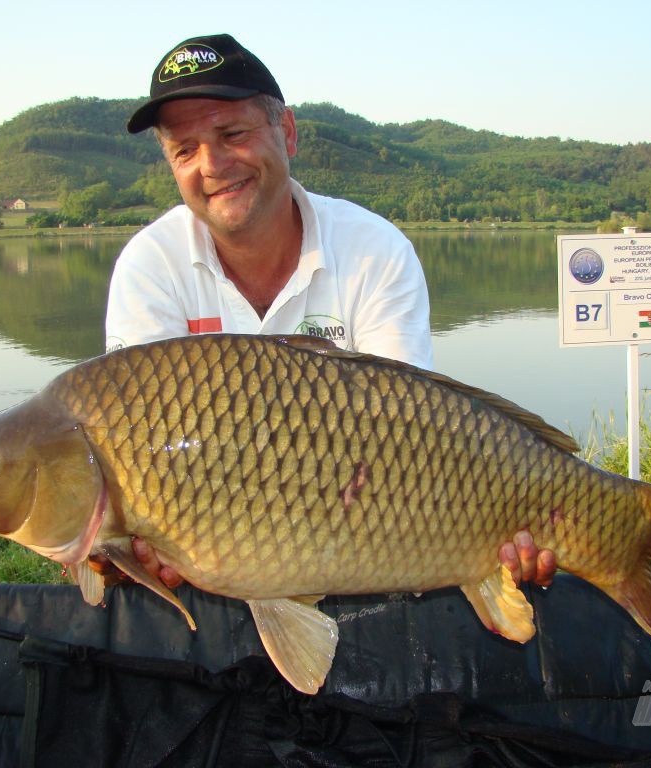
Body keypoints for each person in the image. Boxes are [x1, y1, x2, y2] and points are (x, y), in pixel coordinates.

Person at [102, 33, 556, 590]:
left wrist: (497, 528)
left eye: (232, 133)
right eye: (185, 150)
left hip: (366, 527)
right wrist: (120, 548)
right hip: (227, 551)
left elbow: (413, 440)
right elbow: (141, 451)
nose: (212, 164)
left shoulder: (375, 250)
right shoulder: (150, 265)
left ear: (286, 132)